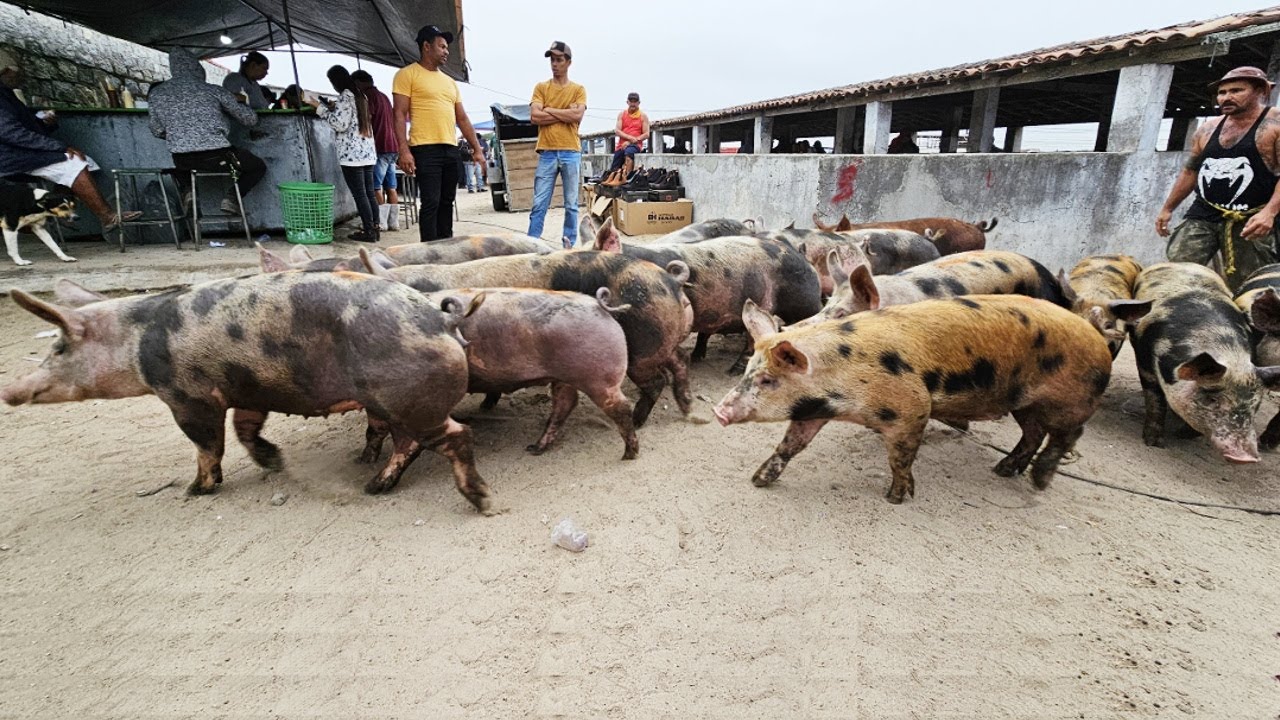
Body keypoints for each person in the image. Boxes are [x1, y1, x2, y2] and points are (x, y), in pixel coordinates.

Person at [1156, 66, 1280, 291]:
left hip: (1251, 218)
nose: (1226, 97)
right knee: (1177, 271)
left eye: (1236, 90)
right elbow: (1190, 171)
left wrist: (1269, 213)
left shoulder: (1275, 125)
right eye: (1222, 93)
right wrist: (1167, 208)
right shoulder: (1207, 128)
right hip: (1205, 212)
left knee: (1252, 288)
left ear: (1260, 91)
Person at [1, 55, 139, 230]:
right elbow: (11, 134)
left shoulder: (7, 94)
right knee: (74, 161)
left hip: (18, 153)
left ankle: (59, 207)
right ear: (6, 71)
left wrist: (44, 123)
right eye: (18, 72)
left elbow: (21, 129)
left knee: (86, 161)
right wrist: (60, 147)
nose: (22, 77)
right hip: (11, 157)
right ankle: (106, 216)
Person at [392, 24, 486, 243]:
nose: (446, 51)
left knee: (447, 201)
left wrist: (477, 149)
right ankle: (429, 252)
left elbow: (461, 118)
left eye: (447, 47)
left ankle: (447, 247)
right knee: (431, 202)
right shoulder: (407, 75)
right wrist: (403, 150)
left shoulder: (450, 82)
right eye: (442, 46)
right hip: (425, 148)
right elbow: (399, 114)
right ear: (426, 46)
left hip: (450, 148)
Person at [148, 48, 267, 215]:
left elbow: (157, 130)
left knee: (181, 169)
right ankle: (232, 198)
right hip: (218, 157)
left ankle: (188, 190)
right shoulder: (214, 90)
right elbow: (250, 120)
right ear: (198, 68)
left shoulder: (157, 93)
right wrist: (240, 102)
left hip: (182, 160)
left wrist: (181, 135)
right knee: (257, 166)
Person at [528, 41, 587, 248]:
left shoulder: (578, 89)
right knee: (539, 204)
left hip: (571, 151)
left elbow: (577, 114)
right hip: (547, 152)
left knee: (571, 205)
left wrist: (549, 109)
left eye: (559, 60)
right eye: (552, 60)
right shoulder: (541, 87)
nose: (555, 64)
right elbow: (535, 116)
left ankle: (568, 244)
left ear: (568, 62)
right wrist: (565, 114)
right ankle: (531, 244)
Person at [310, 65, 379, 242]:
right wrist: (333, 107)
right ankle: (375, 229)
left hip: (351, 155)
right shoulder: (360, 96)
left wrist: (320, 108)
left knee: (360, 194)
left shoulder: (345, 98)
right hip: (367, 152)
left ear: (335, 82)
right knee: (369, 193)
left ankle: (369, 231)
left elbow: (340, 124)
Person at [351, 69, 400, 230]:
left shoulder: (368, 97)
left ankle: (382, 222)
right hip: (392, 146)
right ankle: (394, 222)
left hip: (379, 146)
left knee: (375, 187)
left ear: (359, 82)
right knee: (391, 186)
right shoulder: (384, 96)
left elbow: (368, 118)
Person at [610, 91, 649, 172]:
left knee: (629, 154)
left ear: (639, 103)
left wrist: (632, 141)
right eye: (631, 101)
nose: (633, 104)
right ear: (627, 102)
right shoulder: (622, 114)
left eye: (635, 102)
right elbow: (617, 131)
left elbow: (646, 134)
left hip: (635, 144)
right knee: (614, 168)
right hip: (621, 145)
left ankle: (628, 178)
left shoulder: (643, 116)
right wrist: (629, 138)